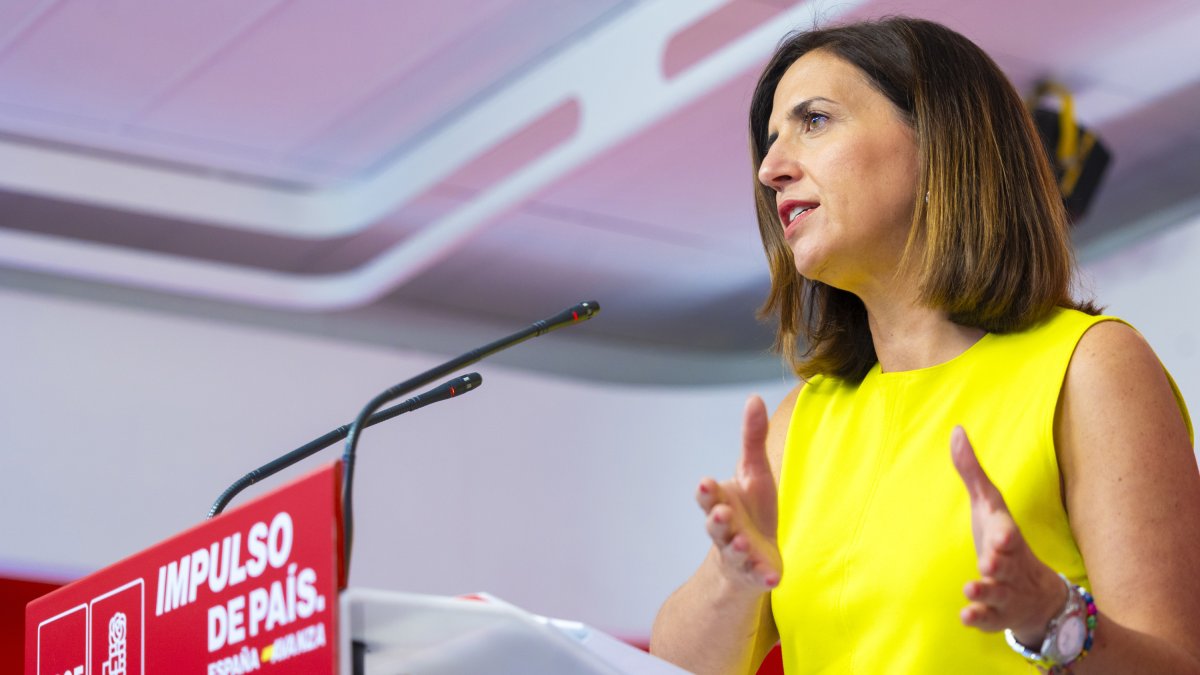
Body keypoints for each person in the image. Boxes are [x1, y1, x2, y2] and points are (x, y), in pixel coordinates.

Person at [649, 16, 1200, 674]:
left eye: (814, 121)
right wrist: (732, 571)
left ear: (938, 141)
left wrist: (1052, 618)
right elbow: (675, 667)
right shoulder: (801, 420)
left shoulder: (1089, 367)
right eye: (770, 142)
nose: (770, 169)